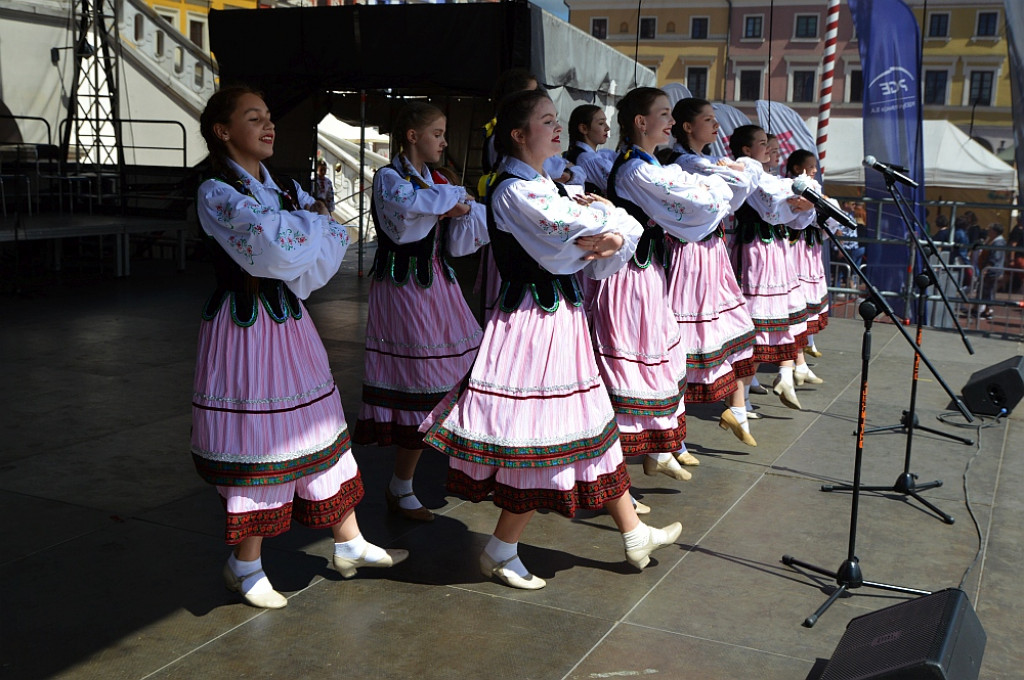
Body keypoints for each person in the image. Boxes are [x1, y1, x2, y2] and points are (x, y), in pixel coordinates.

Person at [422, 89, 681, 590]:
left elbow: (606, 227)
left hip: (559, 319)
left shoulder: (545, 185)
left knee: (586, 422)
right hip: (532, 325)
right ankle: (500, 548)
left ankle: (632, 532)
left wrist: (613, 226)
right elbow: (575, 233)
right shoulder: (517, 192)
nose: (557, 127)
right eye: (546, 120)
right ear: (519, 135)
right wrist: (613, 224)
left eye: (556, 119)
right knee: (543, 435)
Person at [192, 86, 406, 609]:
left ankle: (348, 540)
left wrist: (306, 225)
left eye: (269, 116)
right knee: (262, 441)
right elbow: (269, 246)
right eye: (253, 118)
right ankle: (243, 565)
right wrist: (311, 224)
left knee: (317, 428)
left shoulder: (277, 187)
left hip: (287, 321)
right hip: (246, 329)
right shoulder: (216, 190)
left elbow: (316, 254)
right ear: (222, 131)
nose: (268, 126)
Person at [353, 102, 488, 522]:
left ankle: (464, 469)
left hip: (437, 284)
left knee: (470, 371)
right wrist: (450, 202)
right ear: (412, 136)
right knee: (418, 385)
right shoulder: (389, 178)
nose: (444, 141)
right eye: (438, 133)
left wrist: (453, 203)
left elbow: (461, 217)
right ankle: (402, 485)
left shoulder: (436, 180)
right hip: (404, 288)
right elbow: (413, 210)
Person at [592, 87, 698, 479]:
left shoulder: (648, 165)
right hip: (628, 280)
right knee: (629, 370)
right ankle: (614, 478)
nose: (671, 122)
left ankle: (657, 447)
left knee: (658, 360)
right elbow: (687, 209)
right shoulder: (637, 169)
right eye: (664, 114)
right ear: (641, 122)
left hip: (647, 275)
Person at [660, 97, 761, 444]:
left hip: (710, 251)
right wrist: (733, 171)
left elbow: (739, 186)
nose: (715, 125)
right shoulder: (684, 162)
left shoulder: (701, 161)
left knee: (729, 327)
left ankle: (736, 406)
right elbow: (738, 187)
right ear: (687, 127)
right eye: (707, 119)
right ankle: (673, 437)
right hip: (688, 252)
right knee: (688, 338)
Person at [729, 125, 817, 410]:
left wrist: (802, 205)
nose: (771, 151)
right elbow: (770, 207)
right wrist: (793, 203)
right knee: (757, 320)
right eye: (765, 144)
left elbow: (790, 215)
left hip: (774, 250)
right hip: (755, 249)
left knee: (777, 317)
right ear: (747, 149)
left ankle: (785, 373)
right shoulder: (748, 171)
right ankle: (743, 398)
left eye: (774, 147)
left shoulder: (769, 177)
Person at [784, 150, 830, 366]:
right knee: (798, 295)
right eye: (810, 166)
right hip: (796, 246)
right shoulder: (790, 188)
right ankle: (798, 353)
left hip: (809, 246)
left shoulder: (812, 190)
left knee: (808, 294)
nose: (814, 170)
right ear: (796, 168)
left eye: (815, 166)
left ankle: (806, 343)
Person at [564, 104, 615, 195]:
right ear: (584, 128)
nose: (607, 128)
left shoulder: (597, 155)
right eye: (601, 123)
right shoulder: (589, 159)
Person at [976, 223, 1006, 319]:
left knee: (989, 290)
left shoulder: (998, 243)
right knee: (985, 290)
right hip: (990, 269)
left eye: (990, 230)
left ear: (995, 231)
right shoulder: (992, 240)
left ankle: (988, 310)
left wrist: (987, 268)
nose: (988, 231)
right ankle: (981, 308)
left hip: (992, 271)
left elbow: (994, 258)